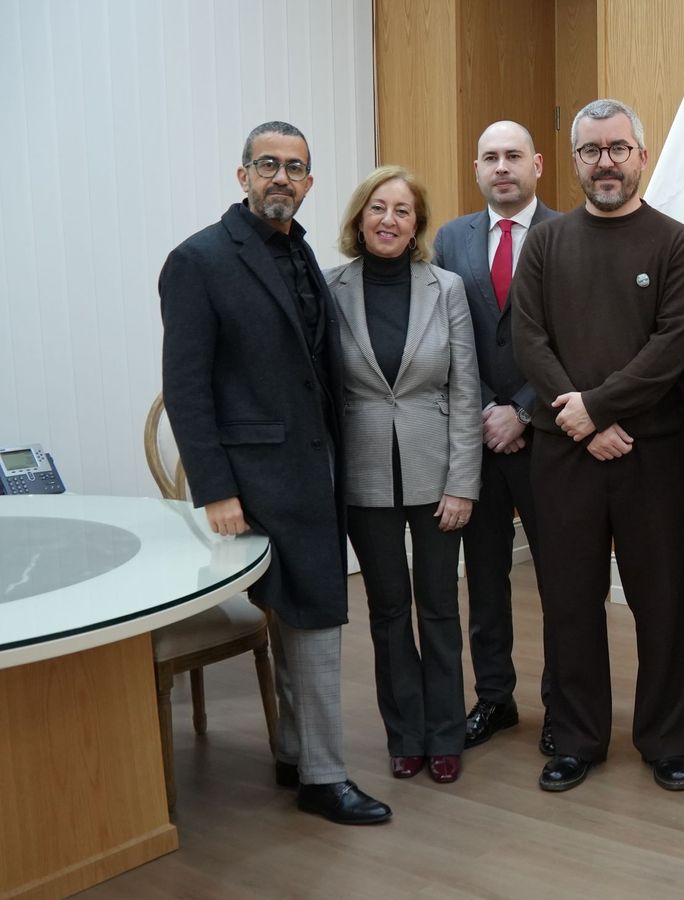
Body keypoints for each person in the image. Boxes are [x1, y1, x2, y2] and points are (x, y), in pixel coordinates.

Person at [159, 121, 391, 825]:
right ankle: (324, 777)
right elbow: (186, 387)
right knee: (316, 615)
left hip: (314, 471)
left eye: (294, 168)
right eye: (268, 165)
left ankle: (296, 753)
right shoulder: (199, 260)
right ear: (242, 176)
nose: (280, 178)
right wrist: (216, 490)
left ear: (310, 183)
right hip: (254, 482)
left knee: (302, 613)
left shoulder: (302, 251)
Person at [511, 98, 684, 793]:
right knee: (568, 601)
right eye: (591, 151)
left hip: (652, 453)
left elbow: (671, 348)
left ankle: (665, 741)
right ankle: (578, 737)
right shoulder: (546, 241)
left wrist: (594, 407)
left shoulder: (677, 243)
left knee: (660, 602)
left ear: (642, 156)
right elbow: (528, 338)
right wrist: (582, 420)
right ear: (574, 162)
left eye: (618, 148)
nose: (605, 162)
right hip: (564, 454)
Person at [326, 166, 480, 785]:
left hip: (438, 469)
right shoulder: (330, 286)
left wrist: (464, 482)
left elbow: (466, 391)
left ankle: (445, 733)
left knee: (439, 607)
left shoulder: (445, 287)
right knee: (388, 611)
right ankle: (405, 735)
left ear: (418, 225)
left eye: (403, 211)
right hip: (364, 477)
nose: (388, 220)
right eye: (377, 208)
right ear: (360, 218)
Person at [433, 120, 562, 755]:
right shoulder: (450, 238)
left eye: (514, 155)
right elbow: (442, 338)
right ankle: (494, 697)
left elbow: (579, 340)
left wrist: (524, 409)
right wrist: (486, 409)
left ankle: (563, 703)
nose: (502, 167)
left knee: (563, 578)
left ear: (537, 164)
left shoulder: (569, 233)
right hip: (473, 436)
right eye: (490, 157)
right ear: (477, 169)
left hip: (552, 435)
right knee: (484, 580)